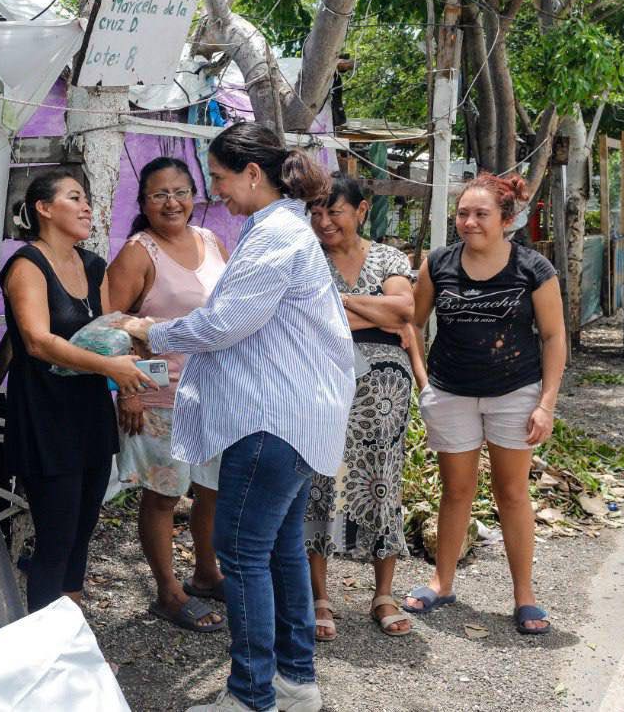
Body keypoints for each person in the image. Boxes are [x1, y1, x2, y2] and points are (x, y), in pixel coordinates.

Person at [120, 123, 355, 712]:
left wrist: (151, 331)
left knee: (242, 551)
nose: (213, 192)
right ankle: (295, 684)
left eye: (219, 178)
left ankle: (252, 695)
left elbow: (223, 323)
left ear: (253, 173)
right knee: (278, 550)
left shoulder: (276, 234)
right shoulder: (274, 230)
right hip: (294, 418)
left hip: (274, 419)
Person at [402, 172, 566, 636]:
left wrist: (546, 404)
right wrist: (423, 380)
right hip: (451, 391)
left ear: (506, 220)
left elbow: (554, 338)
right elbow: (413, 323)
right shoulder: (438, 264)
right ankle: (442, 581)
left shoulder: (533, 269)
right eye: (462, 214)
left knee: (511, 493)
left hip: (516, 391)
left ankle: (524, 597)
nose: (469, 222)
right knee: (456, 491)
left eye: (481, 214)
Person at [0, 170, 156, 612]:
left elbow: (107, 331)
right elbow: (37, 341)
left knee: (83, 527)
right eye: (75, 198)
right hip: (45, 415)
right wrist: (111, 366)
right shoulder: (26, 265)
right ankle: (47, 650)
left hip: (89, 411)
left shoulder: (92, 265)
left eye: (86, 198)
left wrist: (138, 341)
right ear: (44, 209)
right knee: (56, 533)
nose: (87, 207)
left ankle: (73, 636)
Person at [108, 157, 230, 634]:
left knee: (213, 490)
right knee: (164, 495)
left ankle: (205, 573)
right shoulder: (139, 252)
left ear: (194, 196)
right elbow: (112, 325)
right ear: (143, 203)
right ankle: (167, 590)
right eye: (159, 194)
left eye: (180, 191)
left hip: (215, 393)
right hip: (160, 394)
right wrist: (128, 392)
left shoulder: (211, 241)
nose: (172, 202)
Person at [302, 174, 416, 639]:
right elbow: (309, 318)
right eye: (317, 212)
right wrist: (376, 310)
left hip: (384, 396)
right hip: (322, 386)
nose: (325, 221)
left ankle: (383, 593)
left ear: (361, 210)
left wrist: (341, 303)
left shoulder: (390, 256)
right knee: (319, 483)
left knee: (382, 482)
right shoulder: (306, 258)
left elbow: (404, 311)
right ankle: (320, 596)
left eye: (335, 210)